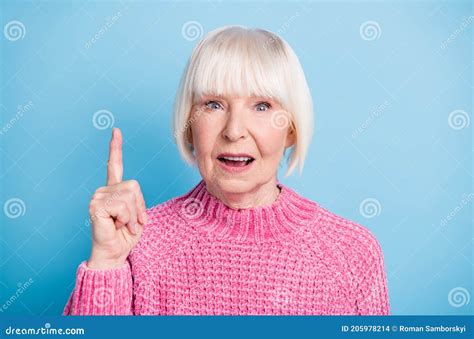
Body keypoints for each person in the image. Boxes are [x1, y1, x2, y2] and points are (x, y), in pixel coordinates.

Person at [63, 25, 390, 315]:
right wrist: (106, 261)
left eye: (262, 106)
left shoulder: (351, 253)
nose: (234, 131)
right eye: (213, 105)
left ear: (291, 128)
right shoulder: (137, 244)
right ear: (189, 125)